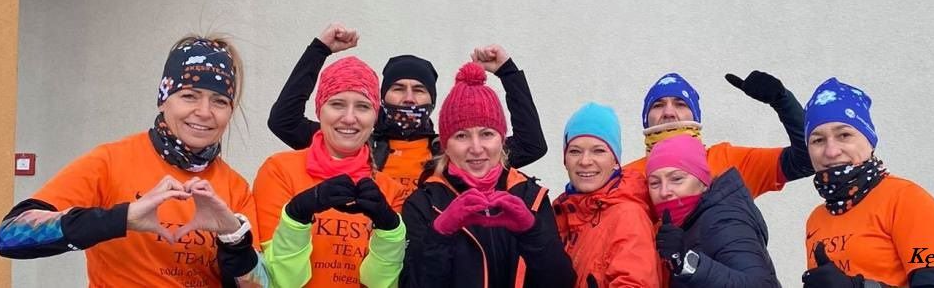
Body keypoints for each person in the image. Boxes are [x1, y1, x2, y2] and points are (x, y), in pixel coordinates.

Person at [0, 36, 267, 286]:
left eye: (219, 101)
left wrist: (233, 240)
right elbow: (10, 236)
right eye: (189, 96)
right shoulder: (110, 161)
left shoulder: (235, 188)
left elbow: (258, 284)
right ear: (163, 100)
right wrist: (122, 218)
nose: (204, 112)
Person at [267, 24, 548, 200]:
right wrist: (319, 50)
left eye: (419, 90)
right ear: (381, 99)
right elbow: (284, 121)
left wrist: (508, 73)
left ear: (433, 100)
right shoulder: (356, 143)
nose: (409, 98)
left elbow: (531, 145)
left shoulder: (451, 151)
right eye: (398, 88)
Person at [400, 63, 575, 288]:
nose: (476, 148)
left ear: (502, 140)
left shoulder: (532, 196)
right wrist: (439, 235)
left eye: (487, 134)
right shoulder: (422, 204)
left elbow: (561, 283)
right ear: (445, 146)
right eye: (461, 136)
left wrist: (532, 233)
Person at [253, 55, 405, 287]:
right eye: (337, 104)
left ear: (375, 117)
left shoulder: (390, 190)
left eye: (363, 107)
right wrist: (295, 218)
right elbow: (279, 280)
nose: (349, 118)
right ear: (319, 110)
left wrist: (389, 233)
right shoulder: (279, 170)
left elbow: (379, 284)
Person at [801, 78, 934, 288]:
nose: (831, 151)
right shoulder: (816, 219)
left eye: (844, 135)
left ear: (870, 141)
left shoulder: (908, 199)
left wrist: (859, 287)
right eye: (818, 140)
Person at [624, 70, 814, 200]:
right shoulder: (625, 178)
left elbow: (808, 160)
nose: (668, 112)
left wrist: (783, 101)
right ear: (645, 119)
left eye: (680, 104)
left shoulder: (730, 162)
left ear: (695, 116)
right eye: (658, 105)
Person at [648, 134, 780, 287]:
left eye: (677, 179)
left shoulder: (723, 221)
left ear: (703, 181)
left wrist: (688, 263)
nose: (664, 192)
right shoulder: (691, 221)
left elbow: (762, 285)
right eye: (655, 183)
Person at [553, 102, 660, 288]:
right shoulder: (560, 211)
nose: (585, 161)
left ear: (615, 161)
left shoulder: (628, 216)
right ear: (565, 160)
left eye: (598, 151)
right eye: (575, 151)